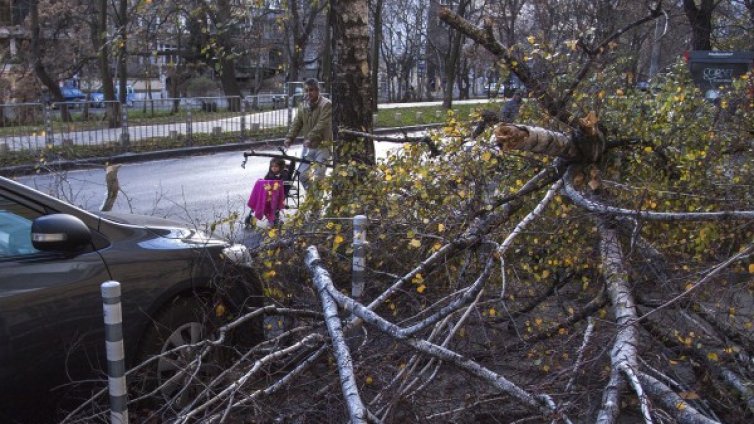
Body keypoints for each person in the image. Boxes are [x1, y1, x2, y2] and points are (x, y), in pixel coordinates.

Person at [283, 78, 332, 192]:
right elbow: (297, 123)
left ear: (318, 91)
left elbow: (322, 124)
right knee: (302, 175)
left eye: (311, 90)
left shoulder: (326, 104)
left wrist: (310, 138)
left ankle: (316, 207)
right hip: (309, 147)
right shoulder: (303, 105)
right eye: (306, 90)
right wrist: (289, 138)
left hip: (323, 146)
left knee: (319, 176)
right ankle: (313, 200)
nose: (308, 93)